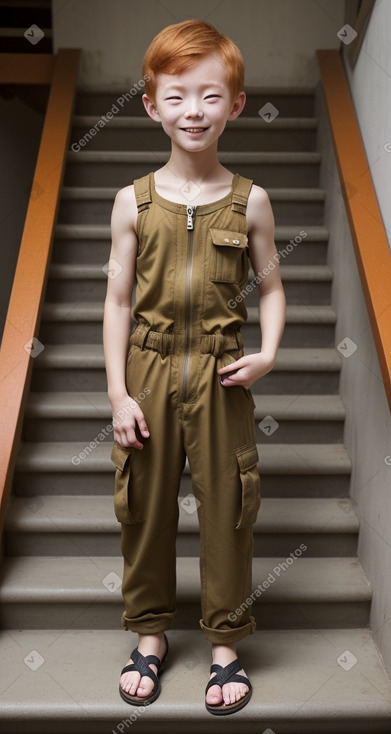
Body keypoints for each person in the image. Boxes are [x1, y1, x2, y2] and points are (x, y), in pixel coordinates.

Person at [103, 18, 286, 716]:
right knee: (143, 509)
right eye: (176, 96)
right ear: (151, 104)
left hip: (220, 375)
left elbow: (269, 286)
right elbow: (117, 301)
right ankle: (148, 637)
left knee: (227, 512)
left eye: (210, 96)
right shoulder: (132, 201)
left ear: (234, 105)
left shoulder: (251, 200)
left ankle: (224, 645)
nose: (194, 112)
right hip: (147, 371)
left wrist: (266, 353)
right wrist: (119, 393)